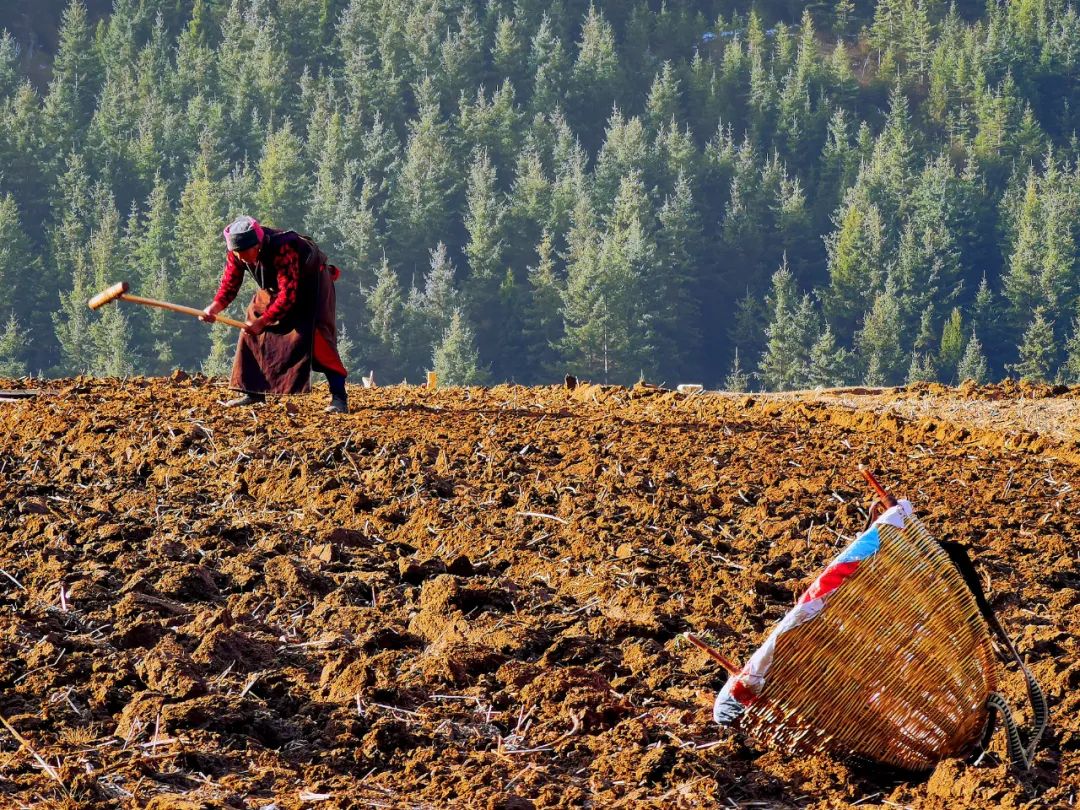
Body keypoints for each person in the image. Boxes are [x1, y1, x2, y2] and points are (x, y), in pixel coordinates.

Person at [202, 216, 349, 413]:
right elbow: (230, 284)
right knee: (250, 328)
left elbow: (288, 296)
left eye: (247, 253)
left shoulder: (283, 249)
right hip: (275, 288)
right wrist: (214, 309)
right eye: (239, 254)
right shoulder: (236, 254)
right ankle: (253, 393)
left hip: (311, 287)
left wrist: (264, 321)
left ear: (258, 245)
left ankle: (339, 398)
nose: (243, 259)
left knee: (317, 338)